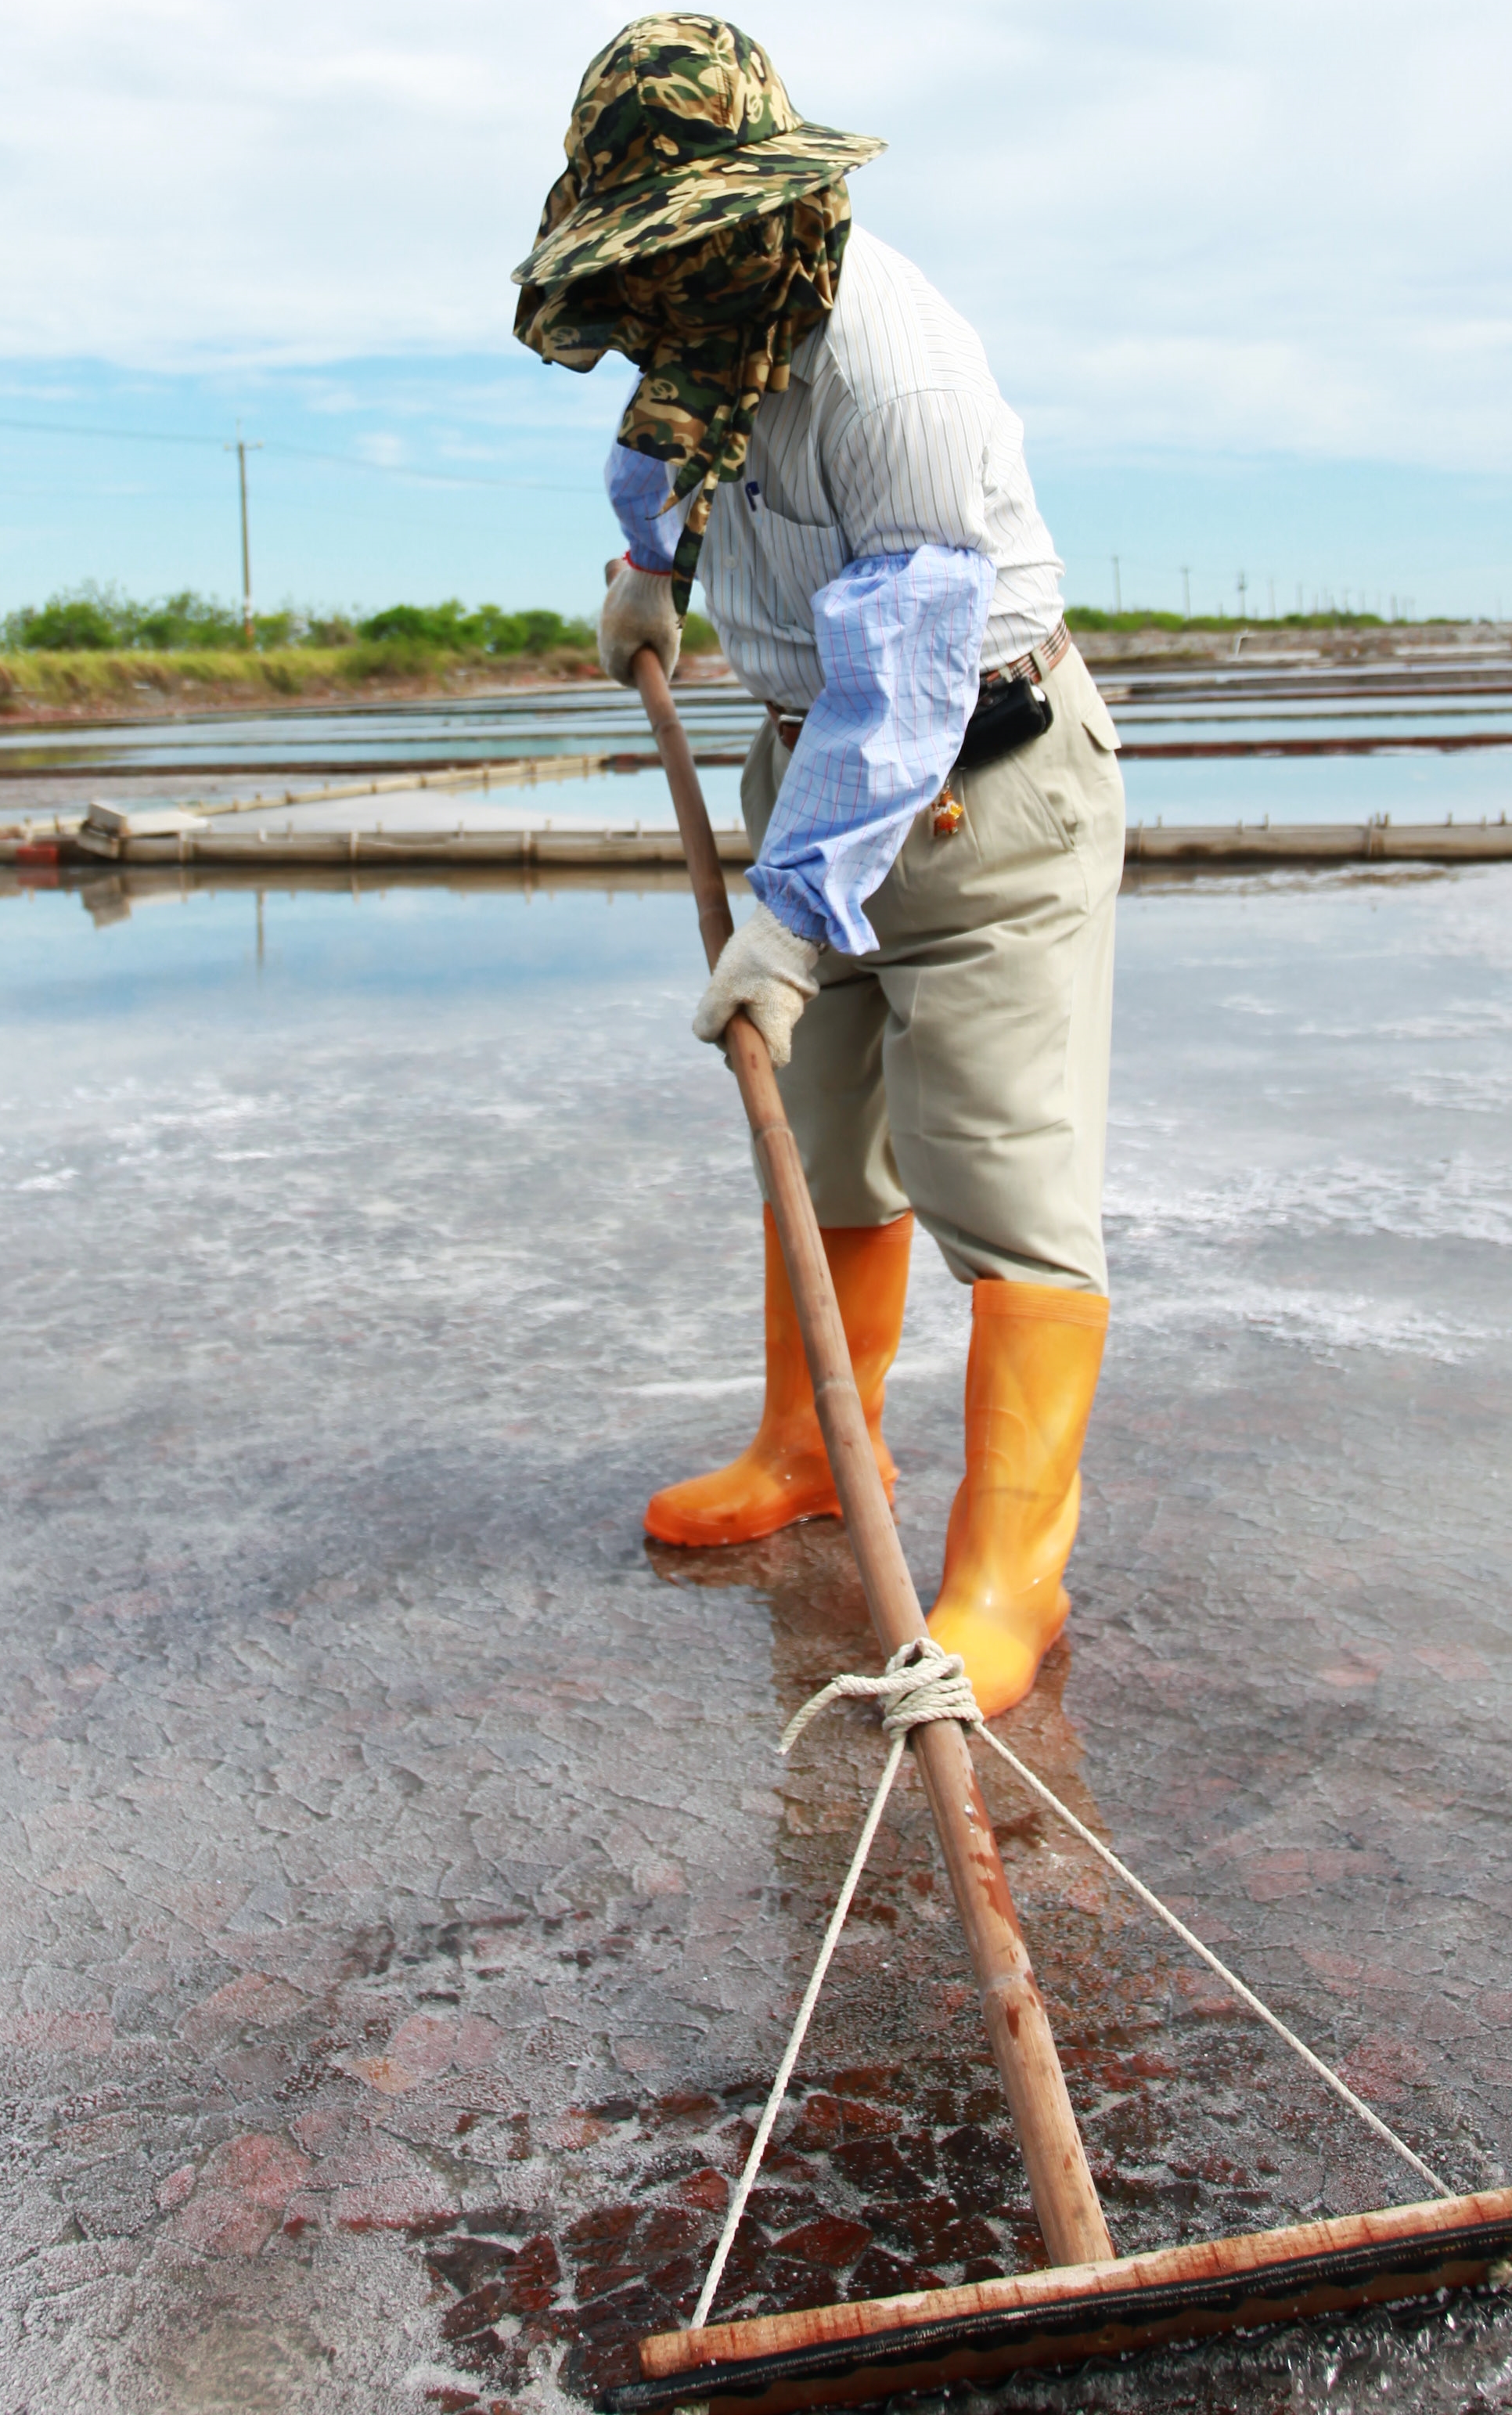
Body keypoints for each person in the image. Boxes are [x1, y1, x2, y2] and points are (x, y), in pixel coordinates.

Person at [513, 14, 1125, 1718]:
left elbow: (913, 679)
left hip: (986, 781)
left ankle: (1011, 1574)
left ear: (762, 204)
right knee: (829, 1139)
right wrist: (649, 562)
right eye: (644, 253)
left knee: (991, 1167)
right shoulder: (711, 321)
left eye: (685, 239)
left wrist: (785, 920)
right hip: (811, 759)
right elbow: (661, 446)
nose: (669, 280)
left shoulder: (887, 364)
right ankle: (803, 1442)